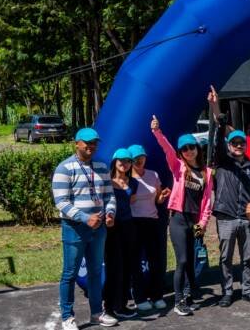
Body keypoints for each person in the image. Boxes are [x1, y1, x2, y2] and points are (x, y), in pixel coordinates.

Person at [52, 127, 118, 330]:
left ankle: (96, 314)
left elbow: (109, 196)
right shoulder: (65, 168)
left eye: (94, 143)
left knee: (96, 272)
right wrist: (84, 218)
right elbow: (61, 202)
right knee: (70, 273)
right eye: (87, 142)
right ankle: (67, 317)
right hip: (74, 228)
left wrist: (110, 213)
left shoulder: (101, 166)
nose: (91, 146)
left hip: (99, 228)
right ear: (76, 144)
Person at [151, 115, 213, 316]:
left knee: (192, 261)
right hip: (178, 219)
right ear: (181, 152)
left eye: (191, 147)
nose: (189, 151)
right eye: (184, 149)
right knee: (183, 260)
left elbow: (207, 202)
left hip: (194, 221)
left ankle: (187, 297)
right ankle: (178, 302)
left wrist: (203, 223)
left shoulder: (207, 172)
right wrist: (157, 132)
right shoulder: (178, 167)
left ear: (197, 148)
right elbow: (167, 149)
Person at [209, 108, 250, 308]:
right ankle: (227, 291)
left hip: (246, 217)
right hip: (226, 216)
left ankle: (248, 290)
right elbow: (216, 145)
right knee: (225, 257)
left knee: (247, 256)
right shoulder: (223, 161)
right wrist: (221, 124)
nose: (239, 146)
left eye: (242, 143)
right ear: (229, 145)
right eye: (235, 143)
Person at [128, 144, 170, 312]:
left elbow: (158, 199)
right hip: (134, 223)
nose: (140, 160)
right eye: (136, 158)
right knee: (136, 262)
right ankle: (139, 297)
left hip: (153, 221)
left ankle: (157, 296)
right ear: (130, 161)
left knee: (156, 261)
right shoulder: (127, 178)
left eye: (142, 157)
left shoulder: (153, 175)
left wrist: (163, 196)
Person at [103, 148, 139, 320]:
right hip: (112, 229)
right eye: (121, 161)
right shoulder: (107, 182)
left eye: (127, 161)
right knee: (113, 268)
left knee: (127, 267)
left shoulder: (133, 183)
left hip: (129, 227)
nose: (124, 164)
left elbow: (131, 202)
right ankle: (108, 307)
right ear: (114, 162)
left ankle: (122, 305)